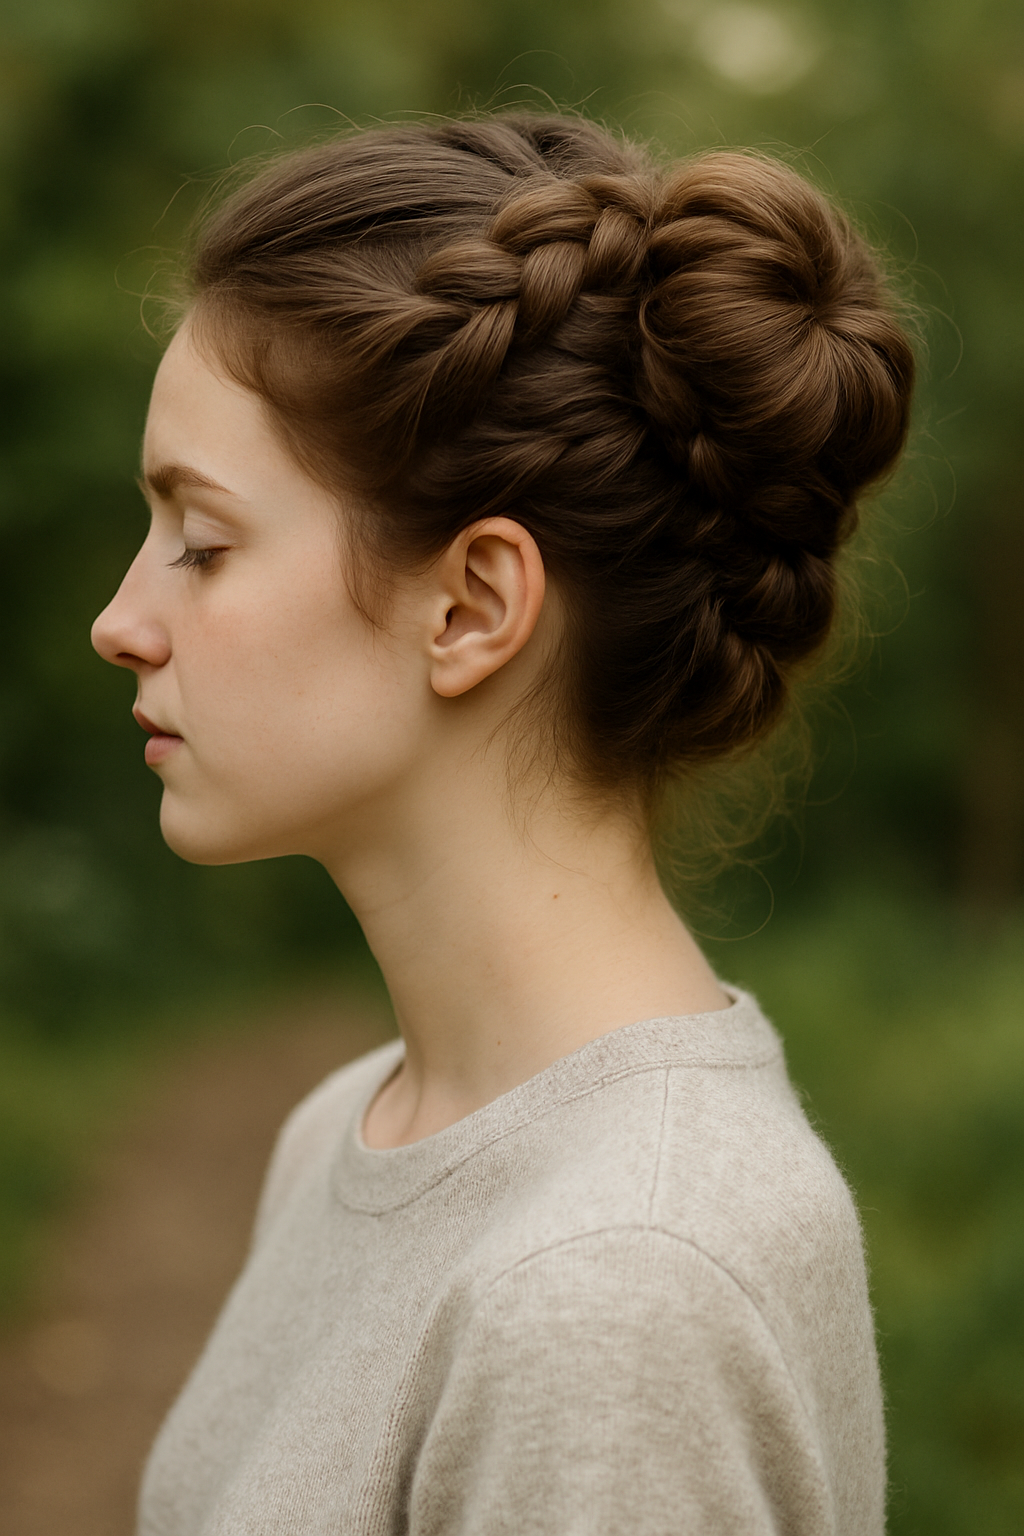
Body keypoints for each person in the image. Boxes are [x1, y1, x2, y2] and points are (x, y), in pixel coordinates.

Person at [91, 111, 913, 1535]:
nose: (121, 621)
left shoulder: (614, 1286)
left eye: (202, 542)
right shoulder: (347, 1134)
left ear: (471, 607)